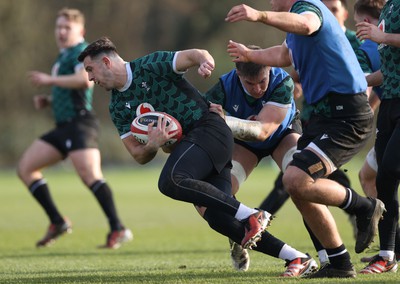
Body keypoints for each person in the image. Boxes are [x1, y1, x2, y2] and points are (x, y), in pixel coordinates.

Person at [77, 37, 319, 277]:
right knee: (219, 219)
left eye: (90, 69)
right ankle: (296, 257)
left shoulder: (149, 65)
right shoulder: (117, 106)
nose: (89, 78)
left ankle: (252, 214)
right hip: (194, 149)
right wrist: (153, 144)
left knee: (170, 180)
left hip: (209, 129)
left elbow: (194, 54)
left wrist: (204, 62)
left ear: (106, 62)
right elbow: (138, 155)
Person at [226, 0, 385, 278]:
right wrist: (251, 56)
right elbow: (284, 55)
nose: (271, 3)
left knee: (295, 179)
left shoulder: (308, 8)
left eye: (274, 0)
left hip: (346, 114)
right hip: (325, 115)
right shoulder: (294, 26)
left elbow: (307, 24)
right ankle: (339, 262)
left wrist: (259, 15)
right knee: (297, 186)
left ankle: (365, 206)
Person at [16, 8, 133, 249]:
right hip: (63, 127)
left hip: (80, 124)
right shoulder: (63, 56)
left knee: (90, 176)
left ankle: (118, 228)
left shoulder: (82, 52)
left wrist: (49, 81)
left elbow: (83, 82)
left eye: (66, 27)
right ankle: (57, 222)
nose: (60, 31)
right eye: (58, 27)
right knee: (25, 168)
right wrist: (50, 100)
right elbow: (70, 90)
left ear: (81, 31)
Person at [202, 45, 318, 276]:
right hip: (245, 144)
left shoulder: (282, 81)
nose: (257, 89)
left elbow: (264, 131)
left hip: (282, 135)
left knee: (303, 182)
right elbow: (202, 115)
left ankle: (327, 253)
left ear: (269, 70)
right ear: (238, 76)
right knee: (220, 194)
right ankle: (237, 237)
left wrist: (226, 118)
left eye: (262, 82)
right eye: (250, 84)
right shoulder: (224, 86)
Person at [356, 0, 400, 274]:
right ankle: (387, 255)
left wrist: (381, 36)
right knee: (383, 183)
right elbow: (389, 72)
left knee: (389, 171)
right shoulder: (388, 8)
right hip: (390, 105)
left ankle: (388, 254)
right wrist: (359, 82)